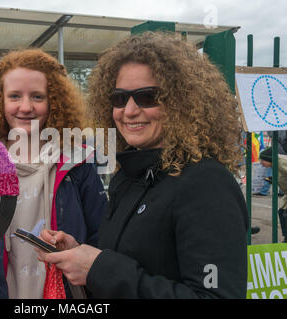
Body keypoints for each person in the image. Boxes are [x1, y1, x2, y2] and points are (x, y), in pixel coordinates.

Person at [38, 32, 248, 298]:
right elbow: (129, 263)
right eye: (119, 98)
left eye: (147, 97)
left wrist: (100, 269)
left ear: (181, 102)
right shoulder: (127, 176)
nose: (129, 111)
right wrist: (79, 253)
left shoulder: (206, 183)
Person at [0, 49, 108, 299]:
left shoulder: (78, 163)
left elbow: (100, 237)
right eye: (14, 96)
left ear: (54, 101)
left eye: (37, 96)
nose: (25, 107)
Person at [259, 147, 287, 243]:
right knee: (281, 212)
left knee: (285, 214)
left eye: (262, 160)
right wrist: (273, 178)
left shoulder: (280, 163)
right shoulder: (275, 165)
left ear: (269, 159)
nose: (261, 163)